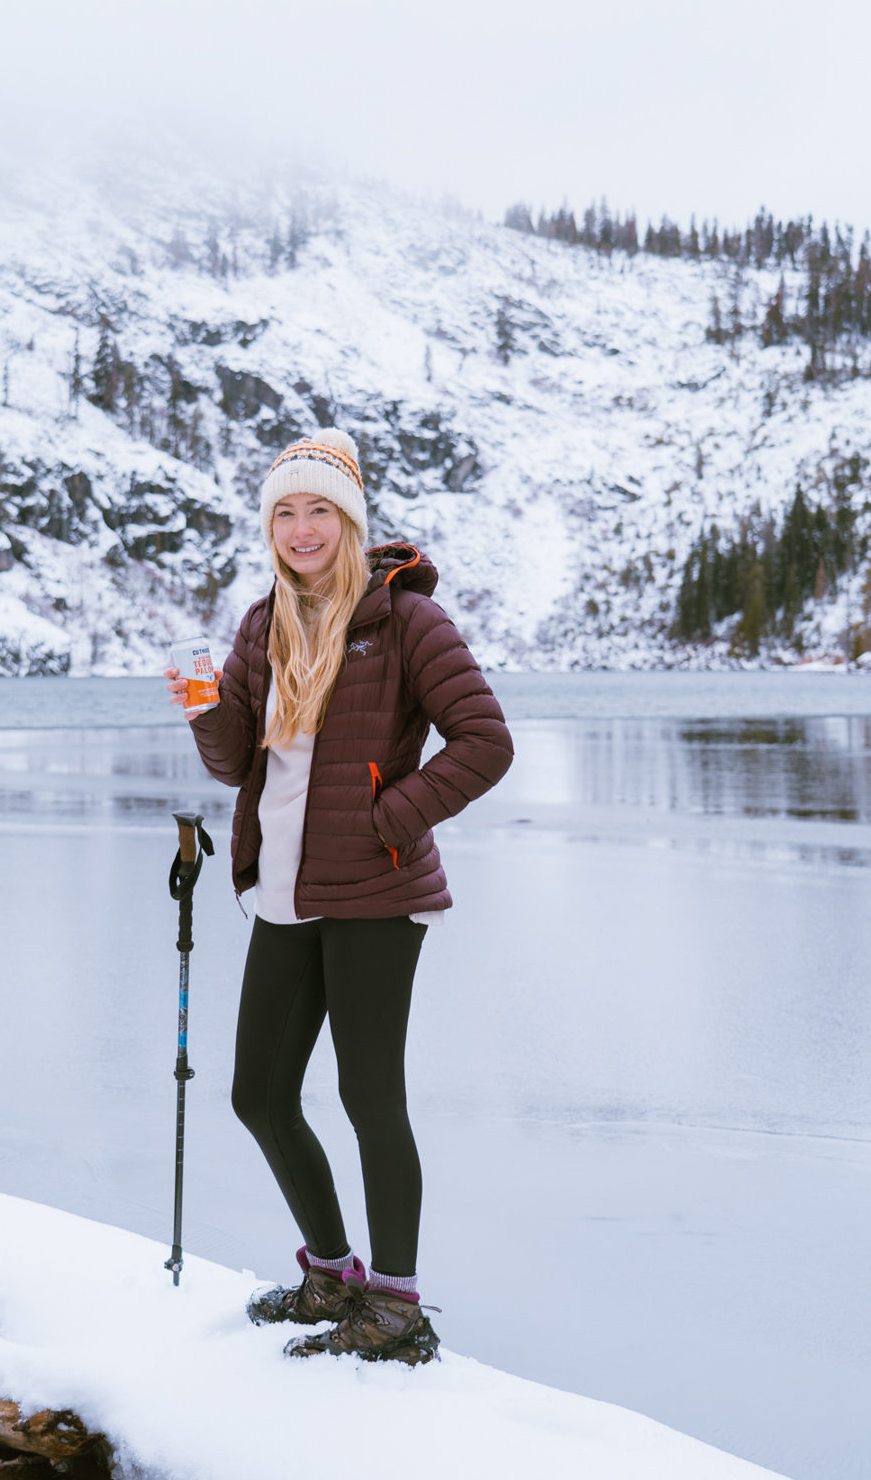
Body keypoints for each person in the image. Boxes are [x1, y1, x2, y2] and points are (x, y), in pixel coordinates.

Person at [164, 428, 513, 1364]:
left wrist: (388, 818)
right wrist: (207, 710)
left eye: (320, 508)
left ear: (351, 519)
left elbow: (485, 742)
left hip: (376, 890)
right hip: (283, 889)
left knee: (369, 1095)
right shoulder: (262, 623)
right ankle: (331, 1273)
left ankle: (395, 1307)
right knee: (258, 1094)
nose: (302, 526)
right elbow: (240, 762)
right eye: (285, 510)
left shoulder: (406, 622)